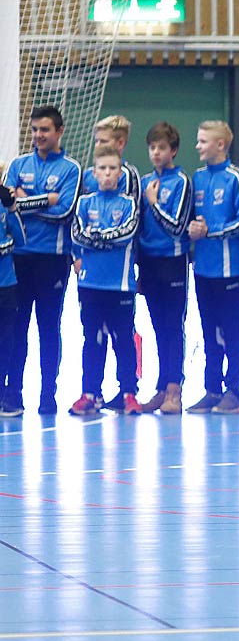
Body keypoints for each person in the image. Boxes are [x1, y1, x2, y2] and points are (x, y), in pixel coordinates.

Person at [5, 105, 81, 415]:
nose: (38, 135)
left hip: (53, 259)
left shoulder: (71, 169)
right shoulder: (18, 164)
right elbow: (7, 204)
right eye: (35, 129)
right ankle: (13, 395)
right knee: (15, 328)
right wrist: (43, 201)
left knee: (49, 328)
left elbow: (64, 212)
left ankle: (48, 395)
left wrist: (24, 200)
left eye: (45, 130)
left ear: (59, 132)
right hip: (18, 259)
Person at [69, 149, 141, 417]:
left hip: (120, 285)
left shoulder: (129, 204)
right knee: (93, 339)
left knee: (123, 339)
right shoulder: (85, 203)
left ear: (120, 173)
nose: (108, 173)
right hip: (90, 285)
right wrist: (102, 239)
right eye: (103, 168)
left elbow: (127, 233)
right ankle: (90, 394)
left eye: (113, 168)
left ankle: (129, 394)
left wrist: (96, 237)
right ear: (95, 173)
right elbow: (77, 234)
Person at [186, 120, 239, 416]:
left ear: (220, 145)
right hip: (202, 269)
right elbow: (190, 219)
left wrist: (210, 231)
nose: (198, 146)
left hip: (227, 270)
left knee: (230, 331)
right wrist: (192, 229)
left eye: (203, 141)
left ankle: (234, 391)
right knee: (208, 331)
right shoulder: (197, 178)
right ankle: (211, 389)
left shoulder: (235, 177)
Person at [138, 122, 192, 416]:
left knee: (173, 326)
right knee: (157, 327)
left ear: (173, 150)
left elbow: (176, 227)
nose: (156, 153)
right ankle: (161, 388)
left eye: (162, 148)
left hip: (172, 262)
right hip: (148, 263)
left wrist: (155, 204)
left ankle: (175, 389)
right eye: (152, 148)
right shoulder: (145, 181)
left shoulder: (182, 181)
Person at [0, 191, 24, 418]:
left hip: (7, 284)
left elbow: (21, 239)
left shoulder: (3, 204)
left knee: (6, 342)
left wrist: (12, 208)